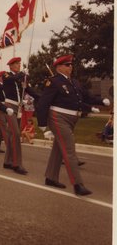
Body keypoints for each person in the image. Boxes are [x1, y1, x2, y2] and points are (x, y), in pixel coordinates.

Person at [37, 55, 110, 196]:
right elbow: (43, 103)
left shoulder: (74, 83)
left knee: (59, 148)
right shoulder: (53, 82)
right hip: (58, 117)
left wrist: (101, 101)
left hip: (72, 119)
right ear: (58, 67)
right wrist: (42, 123)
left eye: (71, 64)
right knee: (69, 149)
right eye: (67, 65)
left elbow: (86, 97)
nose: (70, 67)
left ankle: (51, 177)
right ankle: (78, 184)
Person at [2, 57, 39, 175]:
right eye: (17, 64)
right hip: (9, 106)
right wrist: (22, 74)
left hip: (18, 107)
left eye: (19, 64)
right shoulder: (6, 75)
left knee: (12, 135)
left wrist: (42, 98)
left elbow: (29, 90)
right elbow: (11, 79)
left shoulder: (20, 78)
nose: (19, 65)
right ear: (11, 66)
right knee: (16, 134)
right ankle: (17, 164)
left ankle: (7, 161)